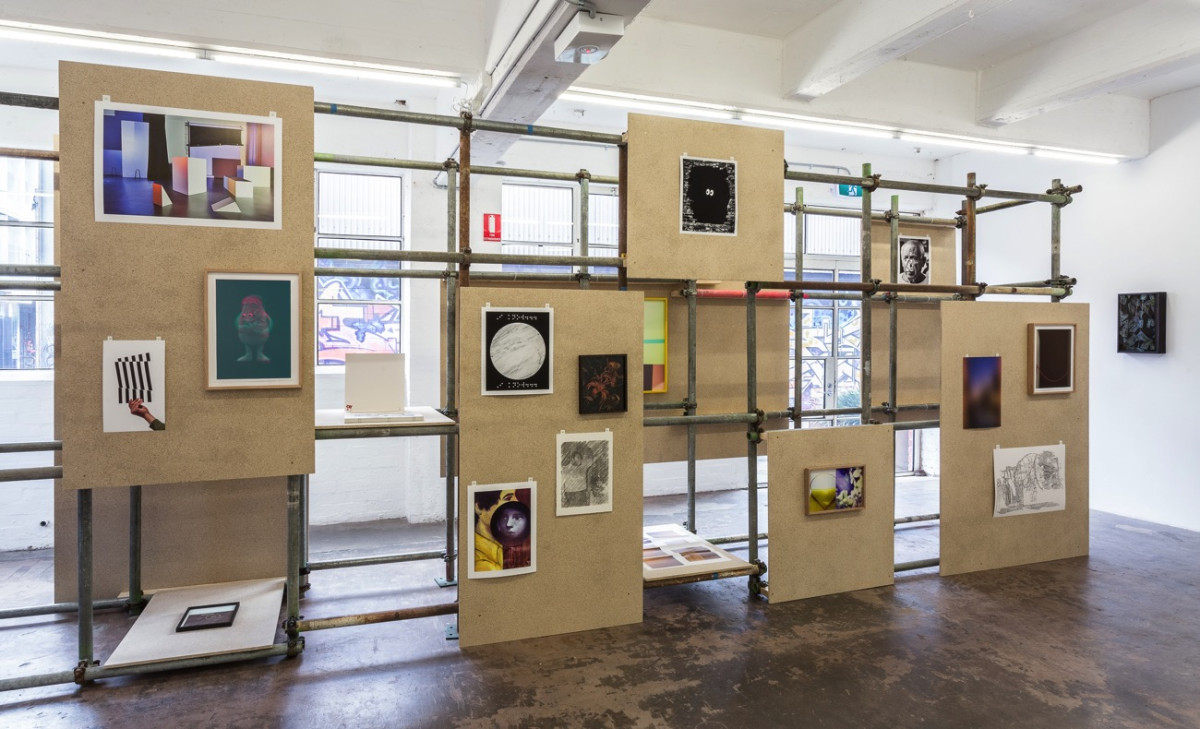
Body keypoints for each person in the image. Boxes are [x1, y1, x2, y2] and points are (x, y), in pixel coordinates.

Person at [473, 488, 531, 572]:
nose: (516, 501)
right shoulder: (483, 564)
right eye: (508, 498)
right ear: (478, 507)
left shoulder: (500, 548)